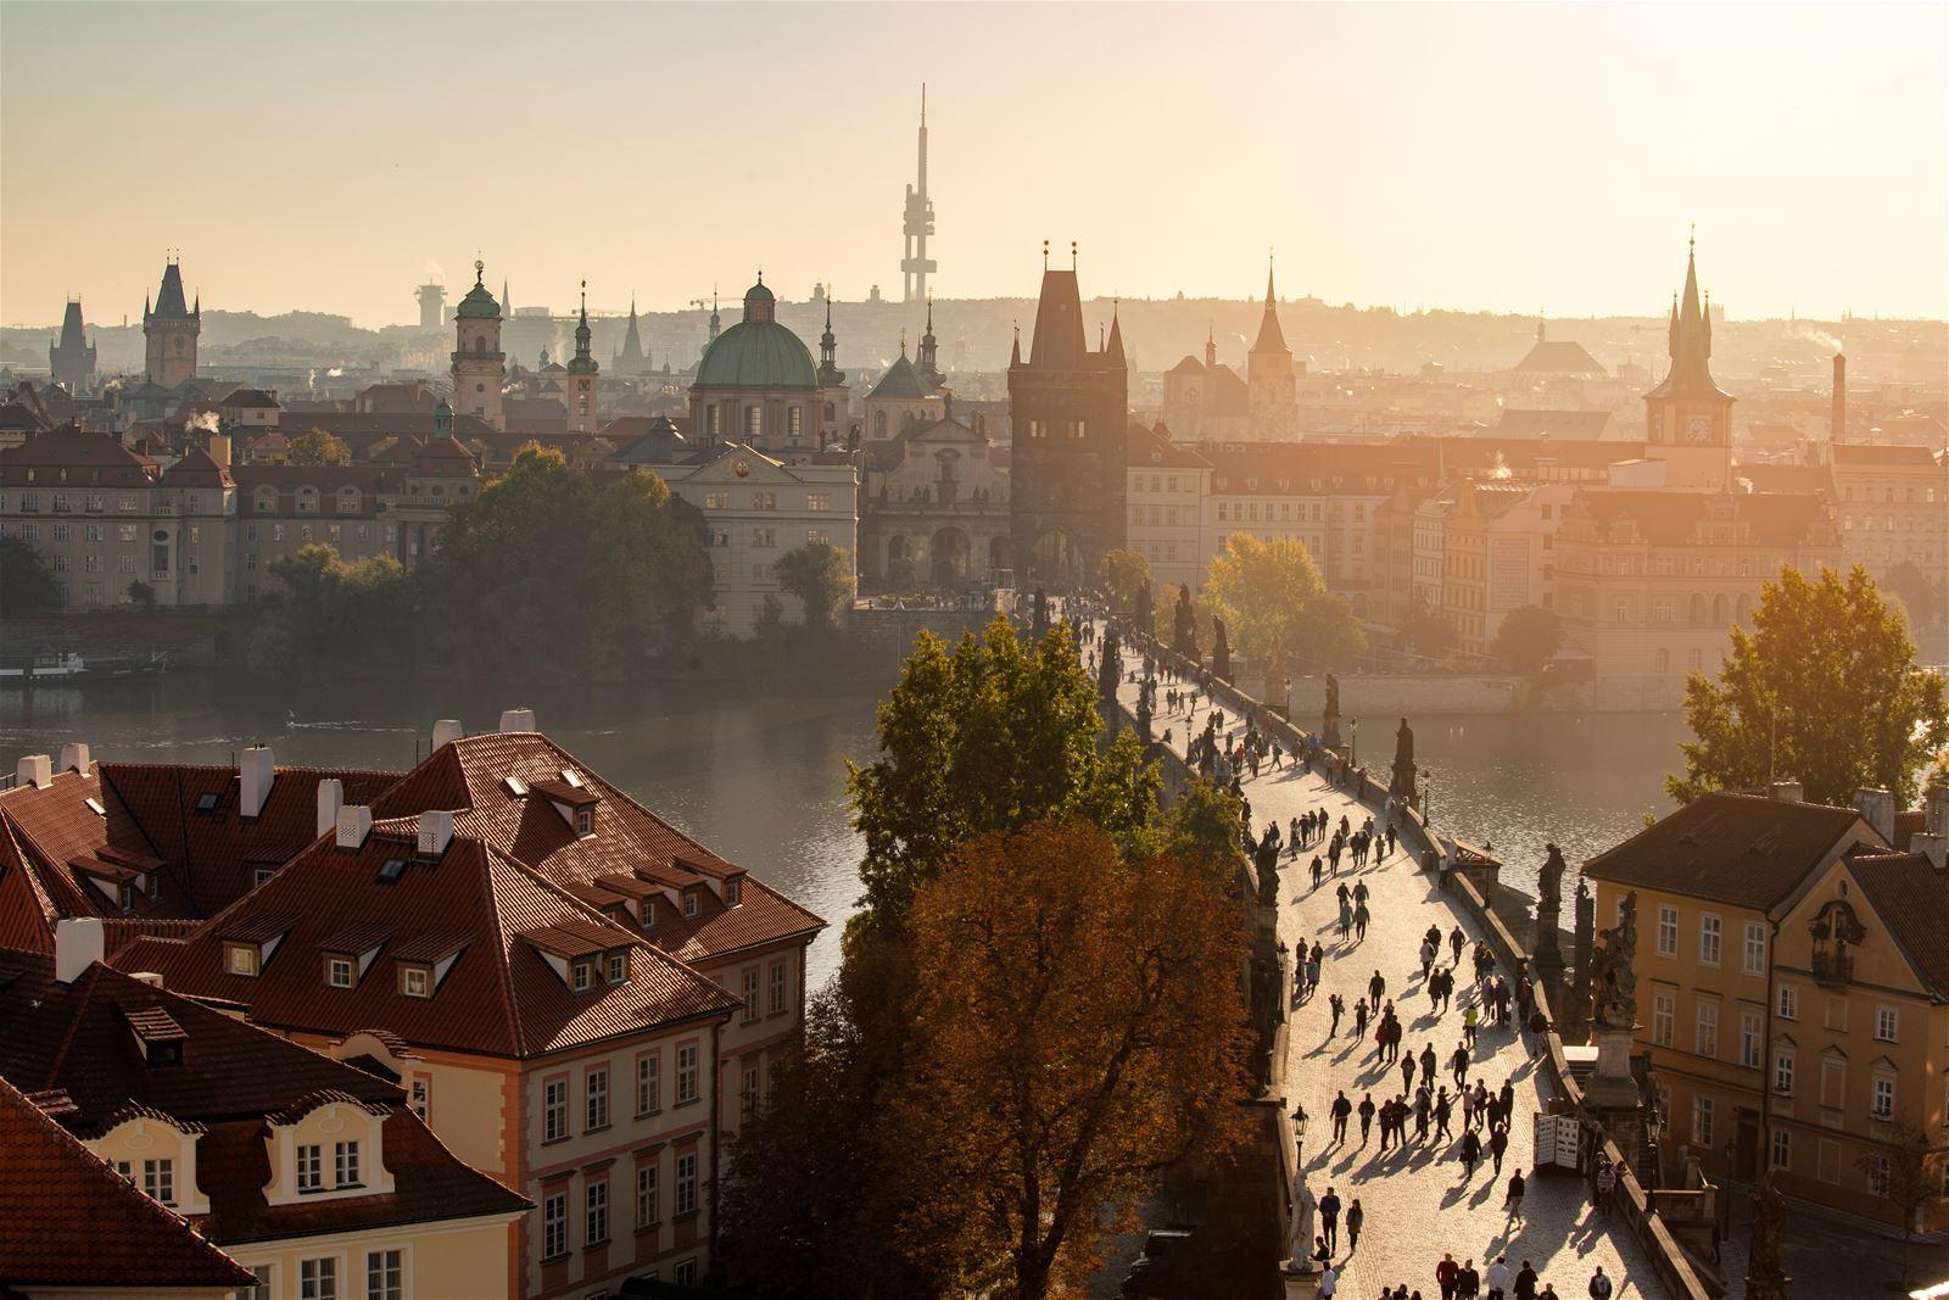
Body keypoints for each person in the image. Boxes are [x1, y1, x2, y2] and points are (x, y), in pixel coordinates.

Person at [1318, 1185, 1341, 1252]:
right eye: (1327, 1192)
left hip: (1333, 1219)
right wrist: (1325, 1213)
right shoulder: (1324, 1199)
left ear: (1332, 1193)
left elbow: (1339, 1207)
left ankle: (1333, 1250)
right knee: (1326, 1234)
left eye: (1329, 1192)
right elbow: (1320, 1208)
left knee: (1333, 1234)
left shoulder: (1336, 1199)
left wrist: (1335, 1212)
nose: (1328, 1194)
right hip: (1326, 1219)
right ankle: (1327, 1248)